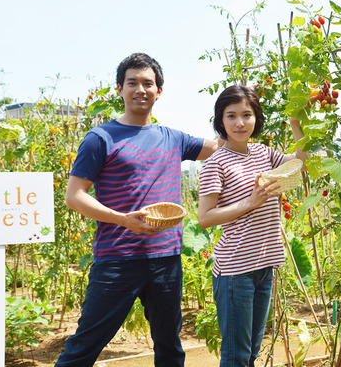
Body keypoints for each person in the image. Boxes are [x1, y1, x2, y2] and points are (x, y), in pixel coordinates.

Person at [55, 52, 221, 366]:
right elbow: (74, 196)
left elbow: (220, 147)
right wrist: (123, 220)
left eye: (148, 83)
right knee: (84, 346)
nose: (140, 89)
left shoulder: (173, 138)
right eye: (132, 83)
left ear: (160, 90)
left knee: (170, 346)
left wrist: (240, 115)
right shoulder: (100, 138)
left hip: (165, 259)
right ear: (120, 88)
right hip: (117, 258)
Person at [197, 85, 307, 367]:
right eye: (231, 115)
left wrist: (296, 125)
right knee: (236, 357)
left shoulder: (265, 154)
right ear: (220, 120)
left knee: (252, 352)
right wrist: (249, 202)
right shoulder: (215, 163)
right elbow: (205, 217)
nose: (239, 123)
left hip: (264, 267)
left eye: (247, 115)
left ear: (257, 118)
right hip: (235, 271)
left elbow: (300, 165)